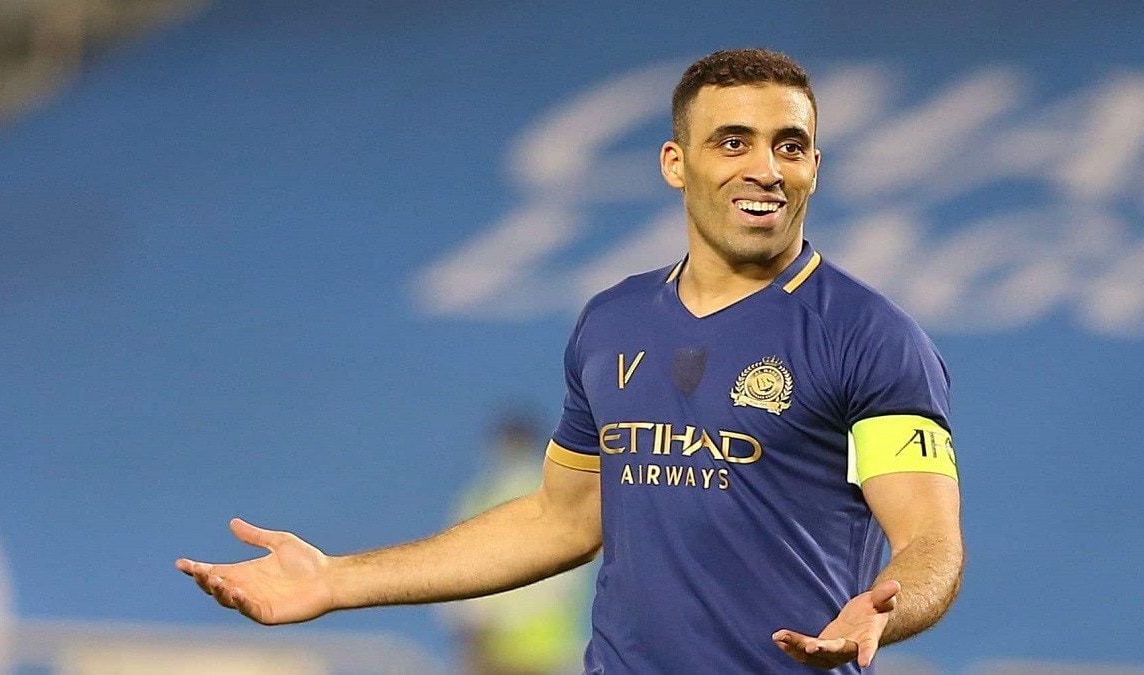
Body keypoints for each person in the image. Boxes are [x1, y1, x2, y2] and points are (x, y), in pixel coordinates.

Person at [177, 48, 963, 674]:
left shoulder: (871, 337)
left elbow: (930, 539)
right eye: (733, 141)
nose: (765, 167)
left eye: (789, 146)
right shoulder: (612, 321)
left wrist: (886, 608)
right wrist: (335, 578)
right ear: (675, 162)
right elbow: (563, 518)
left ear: (814, 166)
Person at [442, 412, 591, 675]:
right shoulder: (552, 493)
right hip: (537, 648)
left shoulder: (484, 496)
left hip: (513, 647)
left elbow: (453, 567)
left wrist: (471, 623)